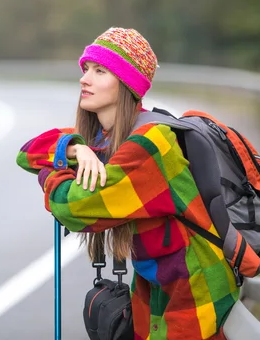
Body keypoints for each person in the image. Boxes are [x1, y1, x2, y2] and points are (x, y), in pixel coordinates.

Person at [16, 27, 239, 340]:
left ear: (125, 83)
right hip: (158, 286)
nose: (84, 79)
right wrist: (74, 148)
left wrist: (53, 170)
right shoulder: (105, 140)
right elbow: (26, 152)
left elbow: (73, 207)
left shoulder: (149, 144)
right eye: (85, 69)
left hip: (193, 294)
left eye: (99, 71)